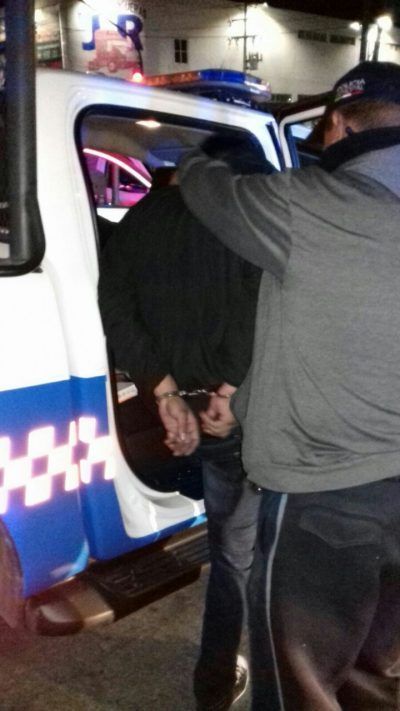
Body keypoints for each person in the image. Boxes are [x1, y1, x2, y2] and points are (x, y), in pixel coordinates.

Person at [178, 61, 400, 710]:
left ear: (339, 125)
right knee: (370, 668)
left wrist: (200, 155)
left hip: (327, 495)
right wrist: (245, 398)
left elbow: (210, 191)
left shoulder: (307, 203)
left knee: (299, 684)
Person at [98, 136, 276, 710]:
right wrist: (227, 389)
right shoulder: (243, 216)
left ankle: (215, 681)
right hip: (240, 414)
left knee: (228, 543)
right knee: (245, 553)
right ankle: (241, 674)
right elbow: (261, 302)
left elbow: (116, 308)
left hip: (182, 406)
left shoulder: (140, 220)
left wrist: (164, 392)